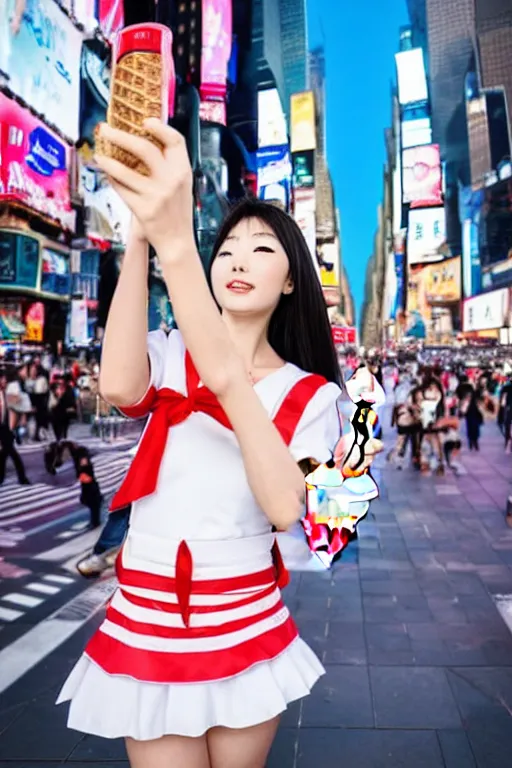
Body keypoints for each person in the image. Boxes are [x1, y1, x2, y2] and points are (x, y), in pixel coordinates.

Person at [57, 120, 380, 768]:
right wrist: (145, 235)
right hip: (148, 609)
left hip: (242, 612)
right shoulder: (172, 354)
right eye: (228, 247)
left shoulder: (310, 396)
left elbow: (290, 509)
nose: (237, 259)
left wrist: (231, 379)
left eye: (263, 250)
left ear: (291, 280)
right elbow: (119, 383)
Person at [0, 372, 30, 486]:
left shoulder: (7, 393)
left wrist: (21, 418)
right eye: (2, 379)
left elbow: (17, 406)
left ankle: (21, 478)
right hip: (2, 427)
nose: (4, 381)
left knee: (9, 452)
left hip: (6, 428)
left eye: (4, 379)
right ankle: (20, 478)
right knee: (5, 453)